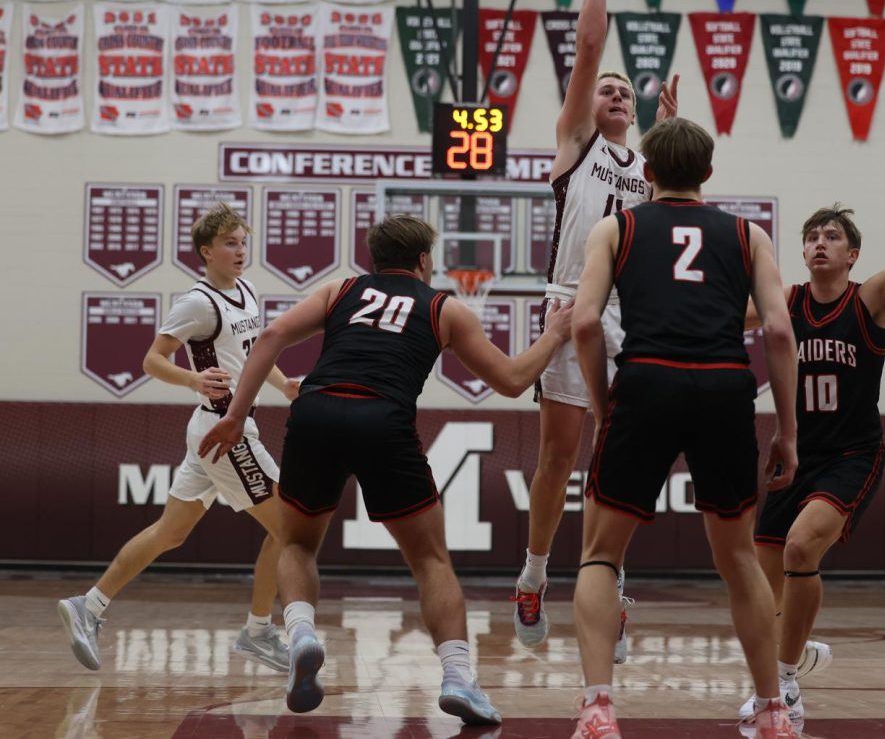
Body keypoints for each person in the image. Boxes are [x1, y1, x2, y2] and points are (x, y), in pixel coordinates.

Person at [196, 215, 573, 725]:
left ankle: (303, 631)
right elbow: (509, 380)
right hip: (382, 420)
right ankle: (458, 677)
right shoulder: (445, 308)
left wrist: (237, 416)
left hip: (316, 411)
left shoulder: (340, 289)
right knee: (431, 561)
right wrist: (553, 337)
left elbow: (270, 338)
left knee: (298, 544)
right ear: (423, 261)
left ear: (375, 258)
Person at [570, 117, 801, 739]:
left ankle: (597, 710)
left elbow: (585, 324)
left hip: (645, 381)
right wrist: (787, 429)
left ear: (646, 175)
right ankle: (774, 710)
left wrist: (600, 403)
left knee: (600, 554)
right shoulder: (749, 235)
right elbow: (780, 333)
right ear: (708, 173)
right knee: (738, 559)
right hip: (725, 386)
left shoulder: (616, 227)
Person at [740, 119, 885, 727]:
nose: (818, 243)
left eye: (831, 236)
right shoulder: (782, 303)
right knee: (764, 589)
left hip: (852, 454)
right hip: (793, 455)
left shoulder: (872, 299)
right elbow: (712, 313)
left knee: (804, 546)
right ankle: (793, 656)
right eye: (811, 236)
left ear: (852, 253)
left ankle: (783, 684)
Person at [514, 0, 677, 660]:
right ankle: (535, 571)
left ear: (636, 113)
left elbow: (685, 223)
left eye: (622, 91)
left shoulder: (650, 174)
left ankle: (605, 578)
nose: (611, 91)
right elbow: (586, 48)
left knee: (621, 459)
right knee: (557, 457)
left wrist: (673, 140)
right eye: (603, 89)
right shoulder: (577, 148)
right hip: (569, 302)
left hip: (630, 316)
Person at [57, 202, 299, 673]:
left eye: (243, 242)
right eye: (230, 243)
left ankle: (89, 606)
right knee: (290, 529)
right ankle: (258, 631)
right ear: (206, 252)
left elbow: (251, 356)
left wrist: (284, 385)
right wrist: (191, 379)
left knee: (170, 533)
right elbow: (152, 360)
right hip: (223, 432)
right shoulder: (197, 302)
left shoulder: (246, 290)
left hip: (215, 429)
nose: (239, 250)